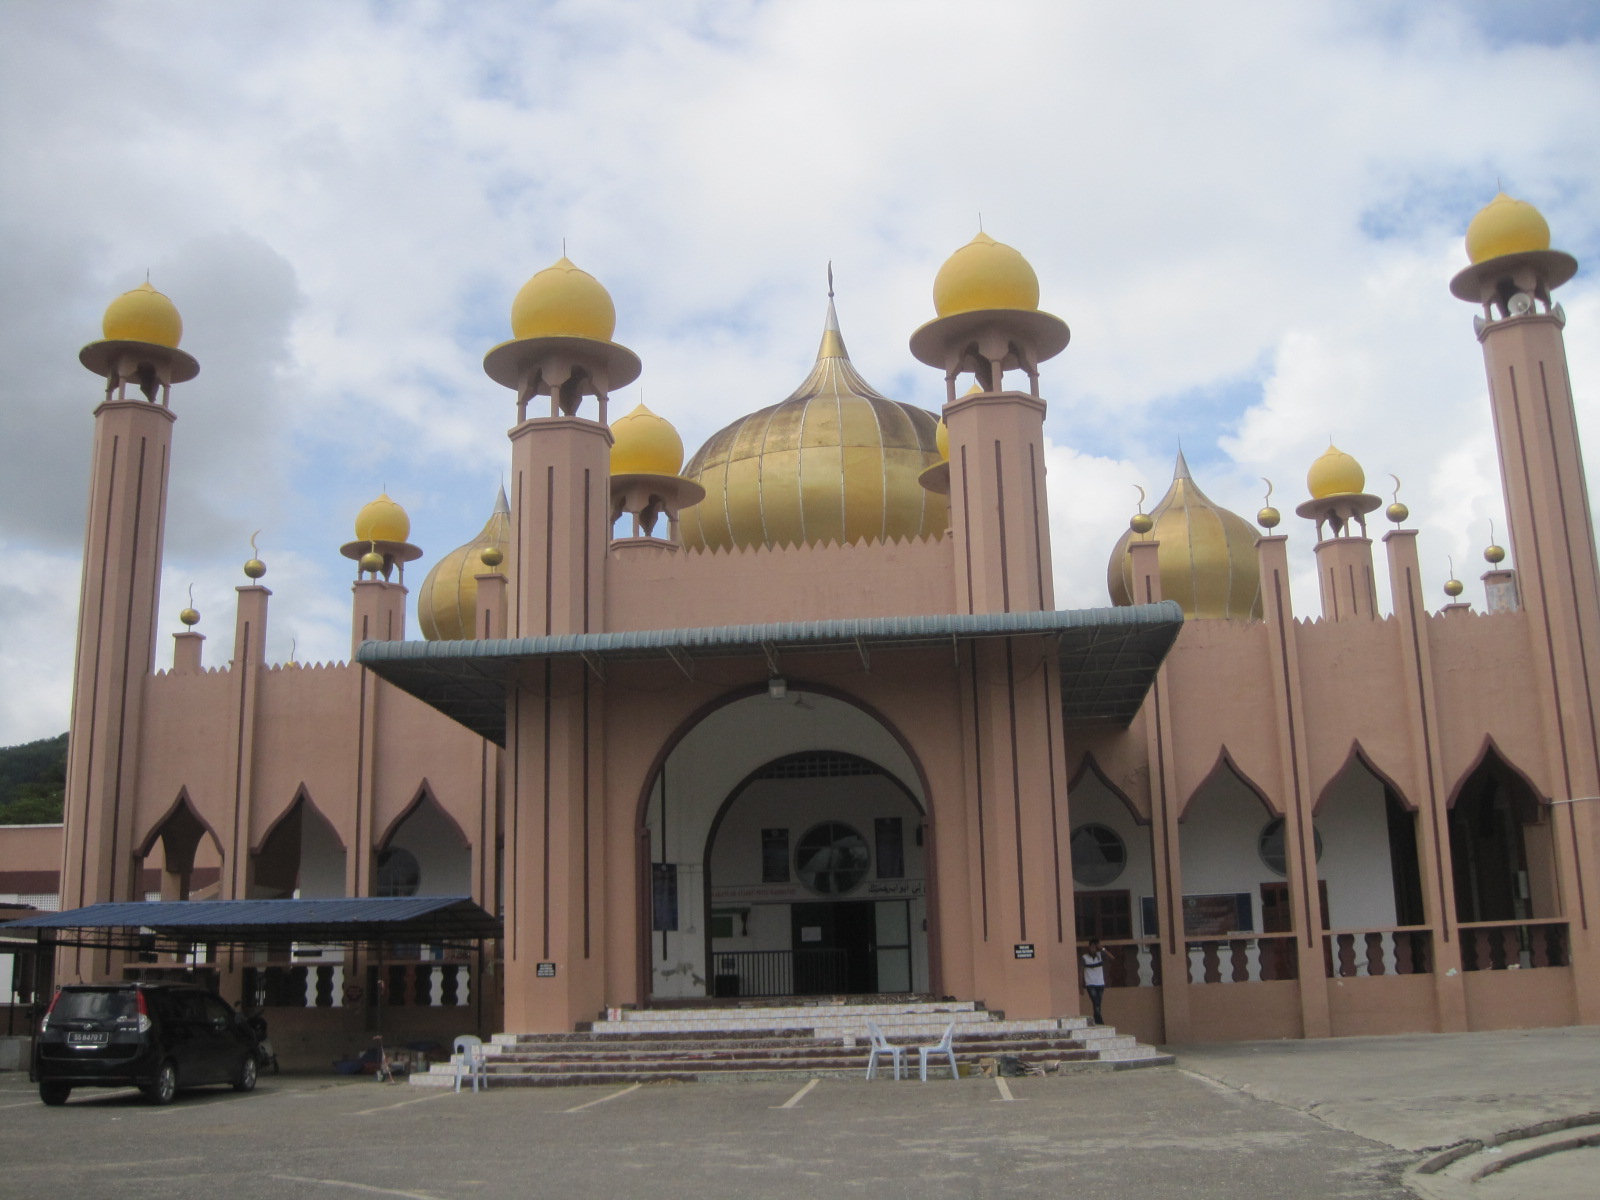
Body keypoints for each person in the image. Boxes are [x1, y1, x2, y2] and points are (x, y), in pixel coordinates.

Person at [1080, 938, 1111, 1026]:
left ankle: (1096, 1021)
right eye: (1091, 947)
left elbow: (1111, 958)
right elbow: (1081, 971)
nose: (1093, 949)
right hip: (1090, 984)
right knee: (1096, 1002)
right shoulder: (1084, 957)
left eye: (1095, 947)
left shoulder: (1100, 955)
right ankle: (1100, 1021)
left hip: (1100, 983)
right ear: (1089, 947)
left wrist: (1102, 948)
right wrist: (1080, 986)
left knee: (1097, 1004)